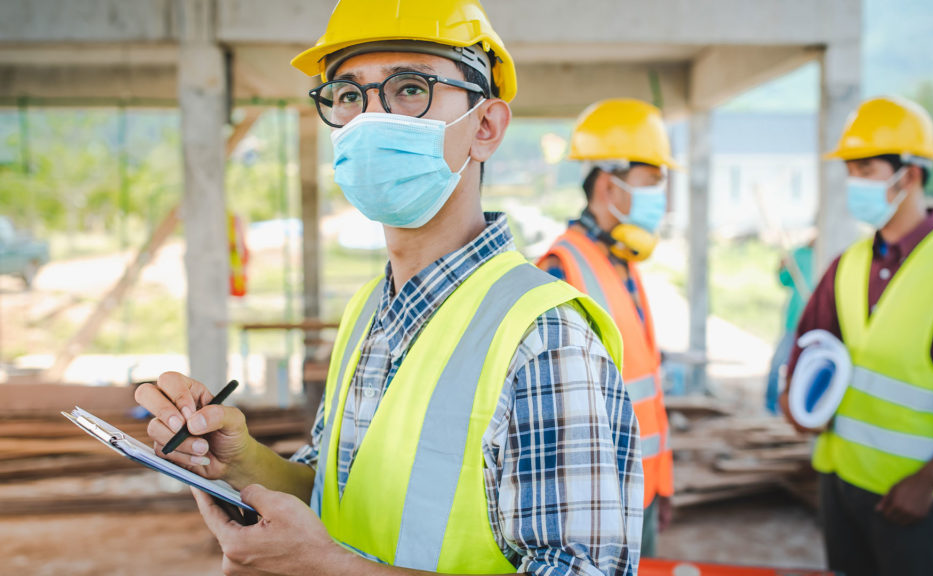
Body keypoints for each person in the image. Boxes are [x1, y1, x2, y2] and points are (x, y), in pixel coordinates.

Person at [134, 1, 644, 574]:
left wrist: (327, 567)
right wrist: (243, 459)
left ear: (485, 126)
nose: (370, 120)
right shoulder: (370, 309)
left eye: (409, 89)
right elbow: (338, 493)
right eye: (349, 96)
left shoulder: (543, 340)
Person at [779, 95, 933, 576]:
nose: (853, 183)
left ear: (908, 175)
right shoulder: (846, 265)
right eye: (850, 170)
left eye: (865, 169)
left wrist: (929, 480)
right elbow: (809, 347)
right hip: (838, 485)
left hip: (909, 499)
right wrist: (794, 403)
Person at [536, 98, 677, 558]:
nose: (662, 196)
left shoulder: (621, 263)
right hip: (598, 507)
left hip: (643, 492)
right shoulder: (561, 270)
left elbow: (645, 390)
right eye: (651, 181)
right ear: (608, 183)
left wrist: (663, 480)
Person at [765, 242, 814, 414]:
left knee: (806, 369)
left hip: (815, 325)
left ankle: (800, 408)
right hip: (794, 323)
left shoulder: (830, 252)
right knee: (777, 365)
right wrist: (782, 264)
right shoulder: (799, 253)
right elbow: (784, 280)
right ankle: (771, 407)